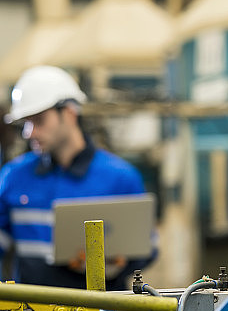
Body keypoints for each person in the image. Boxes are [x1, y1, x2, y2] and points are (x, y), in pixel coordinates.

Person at [0, 65, 155, 289]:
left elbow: (148, 246)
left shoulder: (120, 178)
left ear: (70, 113)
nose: (29, 133)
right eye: (26, 123)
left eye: (39, 120)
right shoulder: (13, 178)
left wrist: (117, 263)